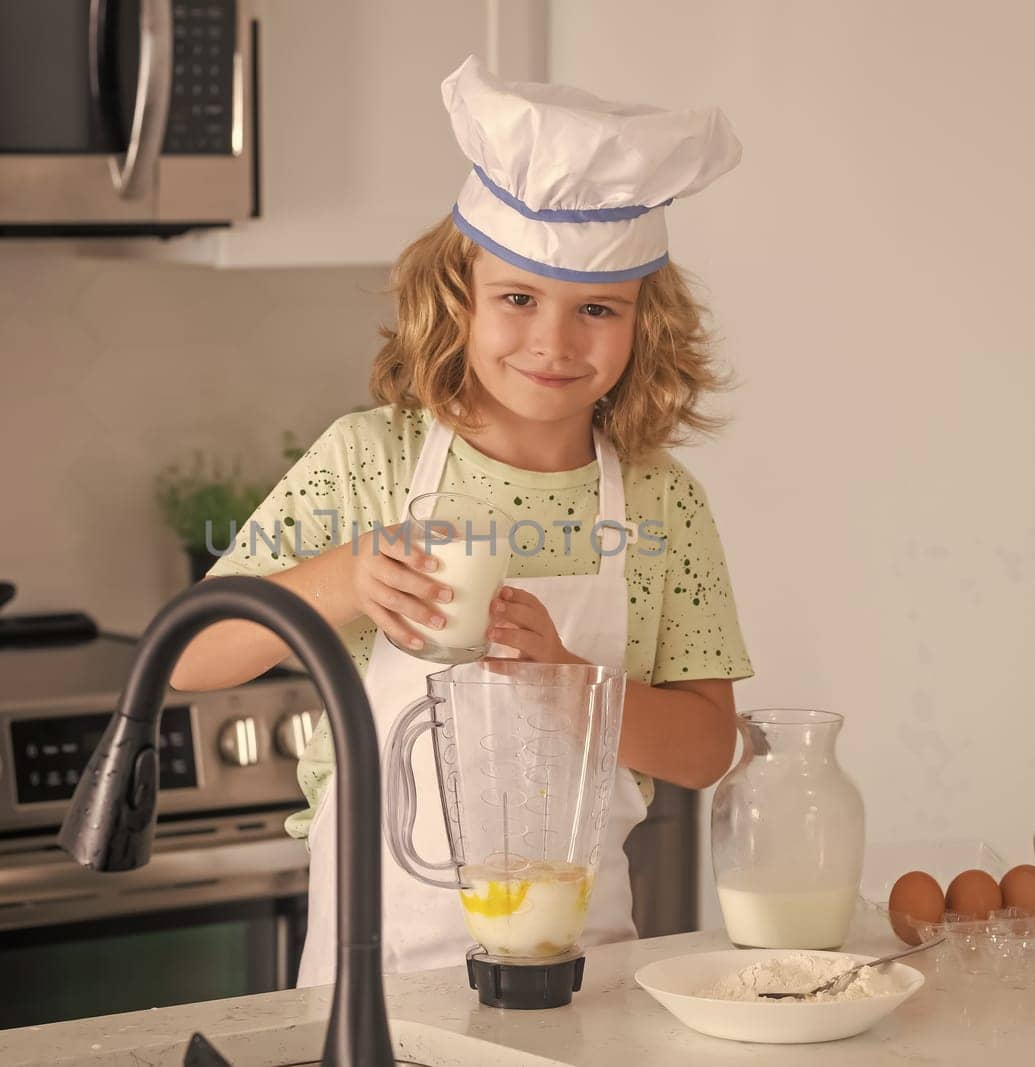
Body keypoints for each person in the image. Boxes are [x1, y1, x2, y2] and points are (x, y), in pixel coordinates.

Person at [170, 56, 754, 985]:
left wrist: (573, 683)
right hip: (374, 972)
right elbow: (189, 656)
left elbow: (706, 749)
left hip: (585, 976)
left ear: (645, 323)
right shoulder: (373, 462)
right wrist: (345, 576)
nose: (553, 343)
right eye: (517, 298)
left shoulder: (657, 501)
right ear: (458, 297)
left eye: (596, 309)